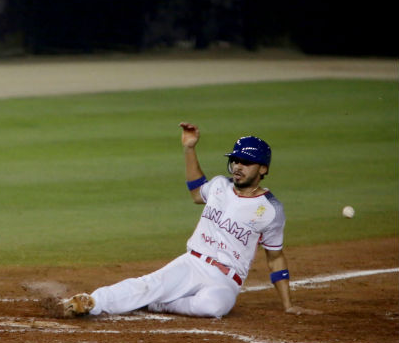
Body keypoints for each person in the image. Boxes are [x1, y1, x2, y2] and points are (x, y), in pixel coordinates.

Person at [51, 122, 322, 319]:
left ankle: (161, 305)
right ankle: (91, 301)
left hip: (226, 279)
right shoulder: (219, 185)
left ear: (263, 169)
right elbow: (196, 192)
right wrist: (190, 149)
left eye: (246, 162)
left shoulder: (271, 209)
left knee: (214, 308)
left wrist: (287, 305)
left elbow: (275, 257)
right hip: (193, 262)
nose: (238, 166)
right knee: (150, 284)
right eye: (236, 160)